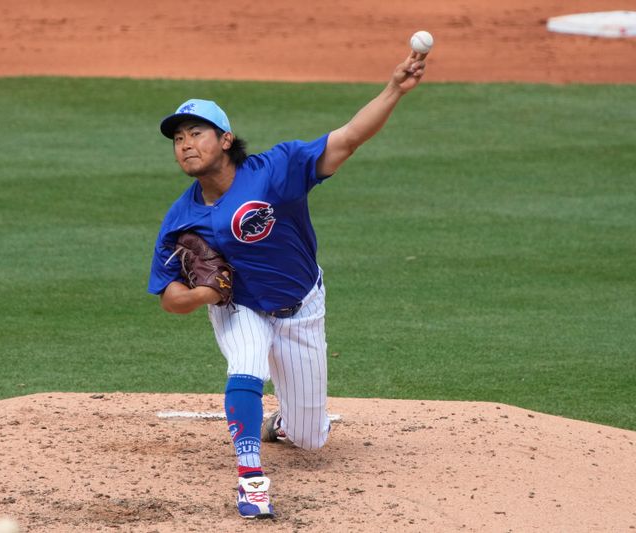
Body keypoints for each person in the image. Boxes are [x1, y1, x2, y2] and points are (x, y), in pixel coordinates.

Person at [147, 50, 427, 519]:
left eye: (196, 133)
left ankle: (282, 424)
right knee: (247, 364)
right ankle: (251, 479)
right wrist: (203, 294)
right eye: (178, 138)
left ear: (226, 138)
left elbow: (350, 138)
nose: (185, 144)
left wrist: (394, 88)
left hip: (303, 307)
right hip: (241, 307)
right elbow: (169, 298)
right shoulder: (181, 219)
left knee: (311, 438)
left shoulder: (276, 169)